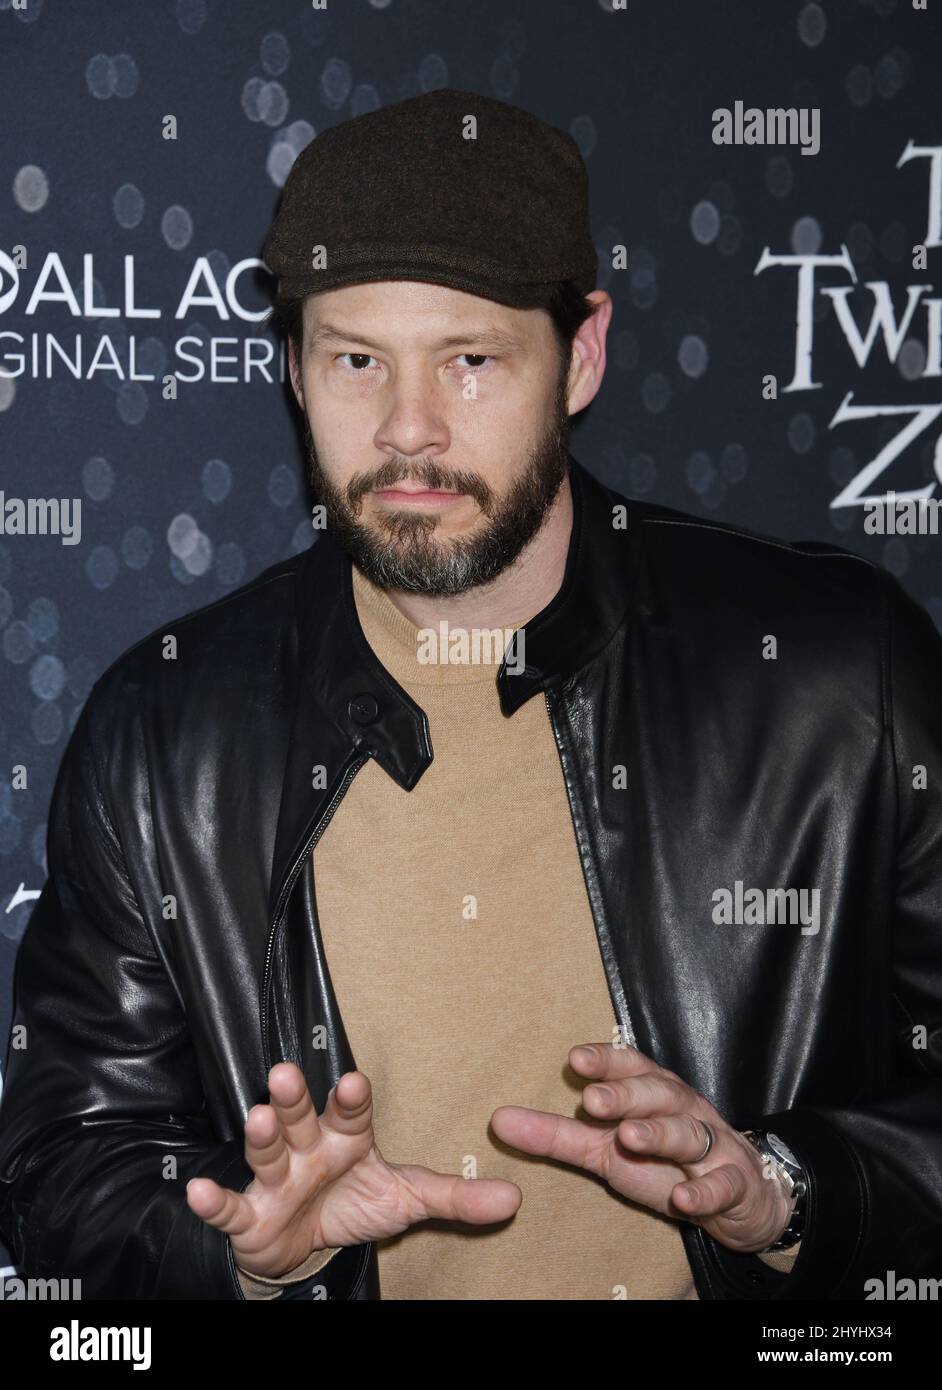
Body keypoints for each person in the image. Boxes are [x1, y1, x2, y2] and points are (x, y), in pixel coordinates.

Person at [1, 87, 940, 1301]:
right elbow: (63, 1165)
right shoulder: (164, 736)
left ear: (583, 353)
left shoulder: (837, 673)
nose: (407, 430)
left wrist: (791, 1188)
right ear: (292, 368)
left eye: (471, 360)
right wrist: (235, 1257)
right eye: (355, 360)